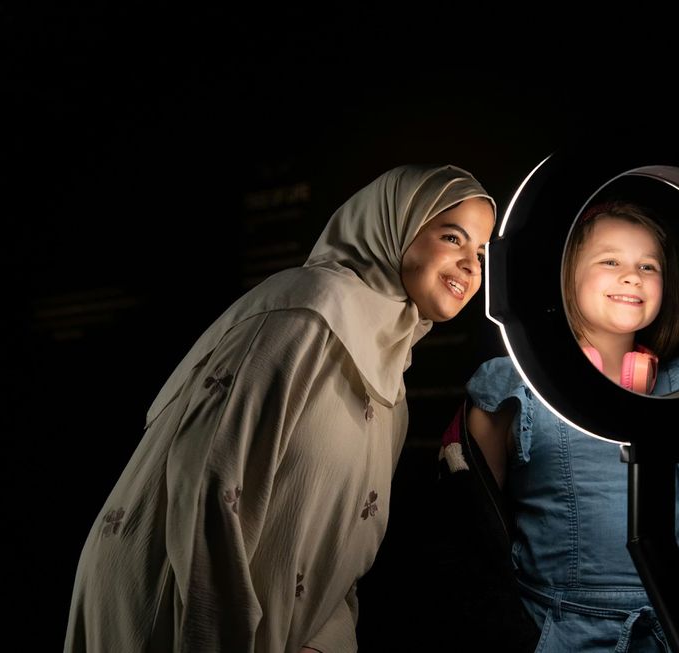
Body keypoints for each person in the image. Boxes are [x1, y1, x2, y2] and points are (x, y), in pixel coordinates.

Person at [64, 164, 496, 653]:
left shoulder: (391, 390)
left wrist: (322, 642)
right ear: (395, 227)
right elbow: (207, 483)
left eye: (481, 254)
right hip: (170, 611)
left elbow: (344, 554)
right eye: (452, 238)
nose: (471, 266)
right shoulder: (307, 311)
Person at [434, 200, 679, 652]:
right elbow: (472, 537)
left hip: (675, 630)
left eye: (648, 266)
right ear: (565, 276)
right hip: (553, 631)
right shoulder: (513, 390)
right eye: (610, 261)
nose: (633, 276)